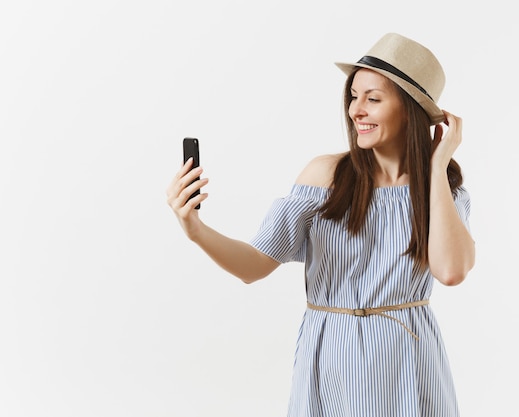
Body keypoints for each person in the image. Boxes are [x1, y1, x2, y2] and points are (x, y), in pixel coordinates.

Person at [166, 32, 475, 417]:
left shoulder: (441, 189)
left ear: (410, 109)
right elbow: (253, 265)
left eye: (373, 99)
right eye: (353, 96)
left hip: (409, 357)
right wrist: (195, 229)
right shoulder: (326, 175)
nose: (355, 110)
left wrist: (438, 163)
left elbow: (451, 271)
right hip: (332, 352)